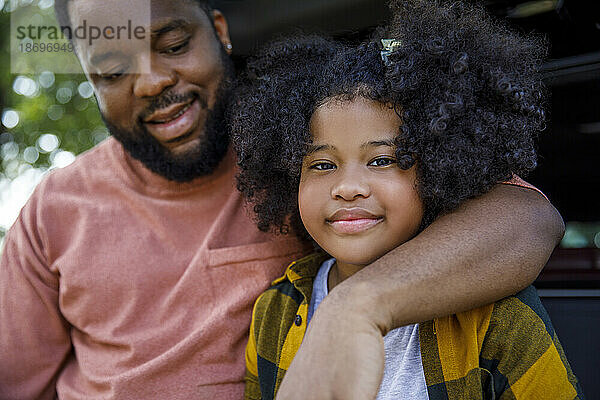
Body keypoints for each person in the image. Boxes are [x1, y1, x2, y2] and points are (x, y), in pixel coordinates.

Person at [0, 0, 564, 398]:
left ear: (218, 29)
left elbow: (528, 219)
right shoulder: (53, 209)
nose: (149, 82)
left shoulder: (303, 150)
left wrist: (356, 308)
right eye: (112, 70)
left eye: (172, 44)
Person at [233, 1, 583, 399]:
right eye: (322, 165)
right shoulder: (273, 311)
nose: (347, 187)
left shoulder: (496, 313)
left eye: (382, 160)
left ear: (439, 167)